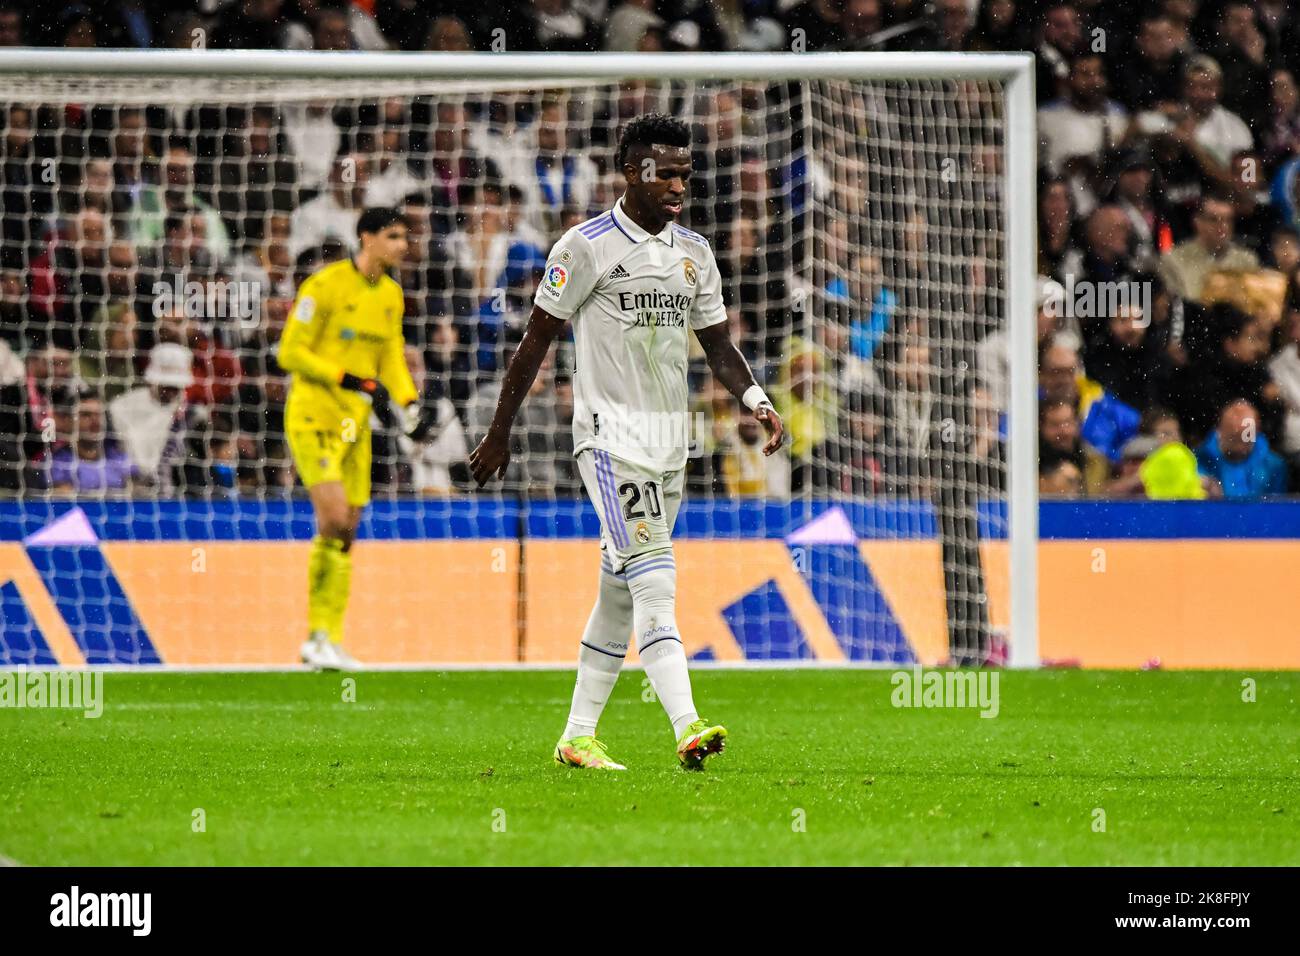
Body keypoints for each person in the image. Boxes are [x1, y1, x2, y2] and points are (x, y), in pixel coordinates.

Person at [469, 113, 783, 772]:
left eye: (684, 173)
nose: (676, 184)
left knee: (619, 588)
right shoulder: (583, 248)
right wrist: (500, 430)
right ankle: (687, 724)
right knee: (654, 578)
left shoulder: (694, 254)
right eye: (662, 172)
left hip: (670, 444)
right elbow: (534, 343)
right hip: (610, 442)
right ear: (629, 171)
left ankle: (577, 736)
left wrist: (756, 400)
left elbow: (718, 346)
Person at [277, 207, 433, 671]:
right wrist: (347, 378)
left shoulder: (390, 295)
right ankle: (316, 635)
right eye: (394, 235)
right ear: (366, 237)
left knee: (347, 532)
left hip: (355, 428)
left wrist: (408, 405)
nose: (403, 244)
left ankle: (326, 638)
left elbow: (389, 358)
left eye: (406, 236)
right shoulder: (323, 286)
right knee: (334, 516)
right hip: (313, 417)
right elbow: (290, 352)